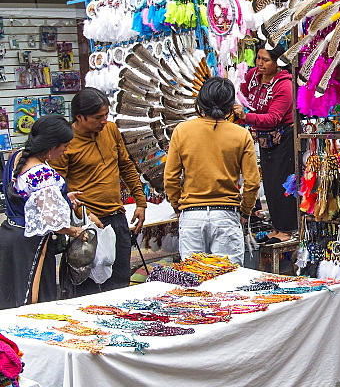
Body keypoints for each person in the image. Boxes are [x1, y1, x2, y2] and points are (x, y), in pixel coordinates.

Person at [51, 87, 148, 291]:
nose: (104, 120)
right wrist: (82, 212)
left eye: (106, 114)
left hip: (116, 217)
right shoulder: (66, 143)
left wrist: (141, 202)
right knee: (89, 288)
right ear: (80, 117)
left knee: (120, 281)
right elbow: (57, 188)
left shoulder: (110, 130)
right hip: (87, 224)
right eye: (98, 117)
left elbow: (126, 166)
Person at [165, 77, 261, 264]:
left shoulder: (182, 130)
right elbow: (252, 182)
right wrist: (245, 212)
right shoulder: (241, 134)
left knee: (195, 282)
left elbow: (170, 178)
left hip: (192, 215)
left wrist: (178, 206)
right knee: (228, 282)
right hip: (226, 215)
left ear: (201, 101)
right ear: (230, 106)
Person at [0, 116, 88, 308]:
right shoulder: (42, 174)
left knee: (9, 295)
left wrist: (62, 198)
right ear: (51, 146)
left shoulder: (17, 156)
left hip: (9, 234)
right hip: (31, 244)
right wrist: (76, 231)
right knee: (31, 300)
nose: (66, 150)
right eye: (64, 146)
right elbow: (51, 221)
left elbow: (26, 196)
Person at [233, 44, 296, 243]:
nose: (260, 63)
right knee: (269, 182)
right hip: (265, 138)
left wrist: (246, 116)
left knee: (283, 183)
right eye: (258, 58)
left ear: (278, 63)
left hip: (283, 138)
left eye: (266, 60)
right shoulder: (253, 76)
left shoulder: (284, 85)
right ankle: (278, 226)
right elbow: (242, 91)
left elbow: (273, 118)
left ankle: (287, 229)